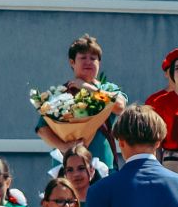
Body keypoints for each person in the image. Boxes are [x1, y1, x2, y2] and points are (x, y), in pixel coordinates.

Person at [35, 34, 125, 171]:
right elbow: (42, 129)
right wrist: (64, 146)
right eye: (83, 58)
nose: (88, 62)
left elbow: (119, 107)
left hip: (102, 165)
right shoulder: (60, 93)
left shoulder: (108, 89)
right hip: (68, 167)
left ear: (99, 63)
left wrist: (87, 88)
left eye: (93, 58)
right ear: (72, 62)